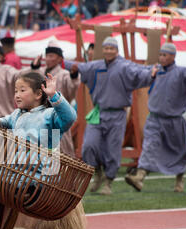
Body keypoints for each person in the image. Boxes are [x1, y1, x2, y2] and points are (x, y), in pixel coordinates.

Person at [64, 36, 157, 195]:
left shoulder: (125, 66)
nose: (108, 51)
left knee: (113, 149)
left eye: (111, 48)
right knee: (89, 145)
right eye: (106, 48)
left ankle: (108, 182)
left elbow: (140, 71)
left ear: (117, 50)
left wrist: (152, 72)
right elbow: (79, 67)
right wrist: (60, 60)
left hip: (117, 114)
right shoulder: (96, 65)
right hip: (98, 112)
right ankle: (97, 172)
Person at [124, 43, 186, 192]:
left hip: (174, 120)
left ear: (173, 56)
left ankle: (179, 180)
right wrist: (149, 74)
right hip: (154, 119)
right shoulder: (155, 71)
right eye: (161, 55)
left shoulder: (183, 73)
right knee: (149, 147)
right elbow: (137, 73)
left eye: (165, 55)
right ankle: (139, 177)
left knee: (179, 151)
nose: (162, 58)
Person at [0, 71, 77, 197]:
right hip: (16, 171)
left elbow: (69, 118)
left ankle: (30, 192)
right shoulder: (17, 114)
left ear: (38, 94)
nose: (17, 95)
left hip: (40, 175)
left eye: (22, 90)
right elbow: (8, 119)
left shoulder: (49, 114)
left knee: (23, 185)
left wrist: (54, 96)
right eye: (15, 91)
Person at [31, 40, 80, 157]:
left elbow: (72, 89)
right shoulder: (40, 72)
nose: (48, 59)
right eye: (47, 56)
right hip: (40, 117)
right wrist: (34, 67)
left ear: (59, 59)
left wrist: (74, 77)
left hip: (58, 117)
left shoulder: (64, 74)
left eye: (51, 56)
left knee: (62, 152)